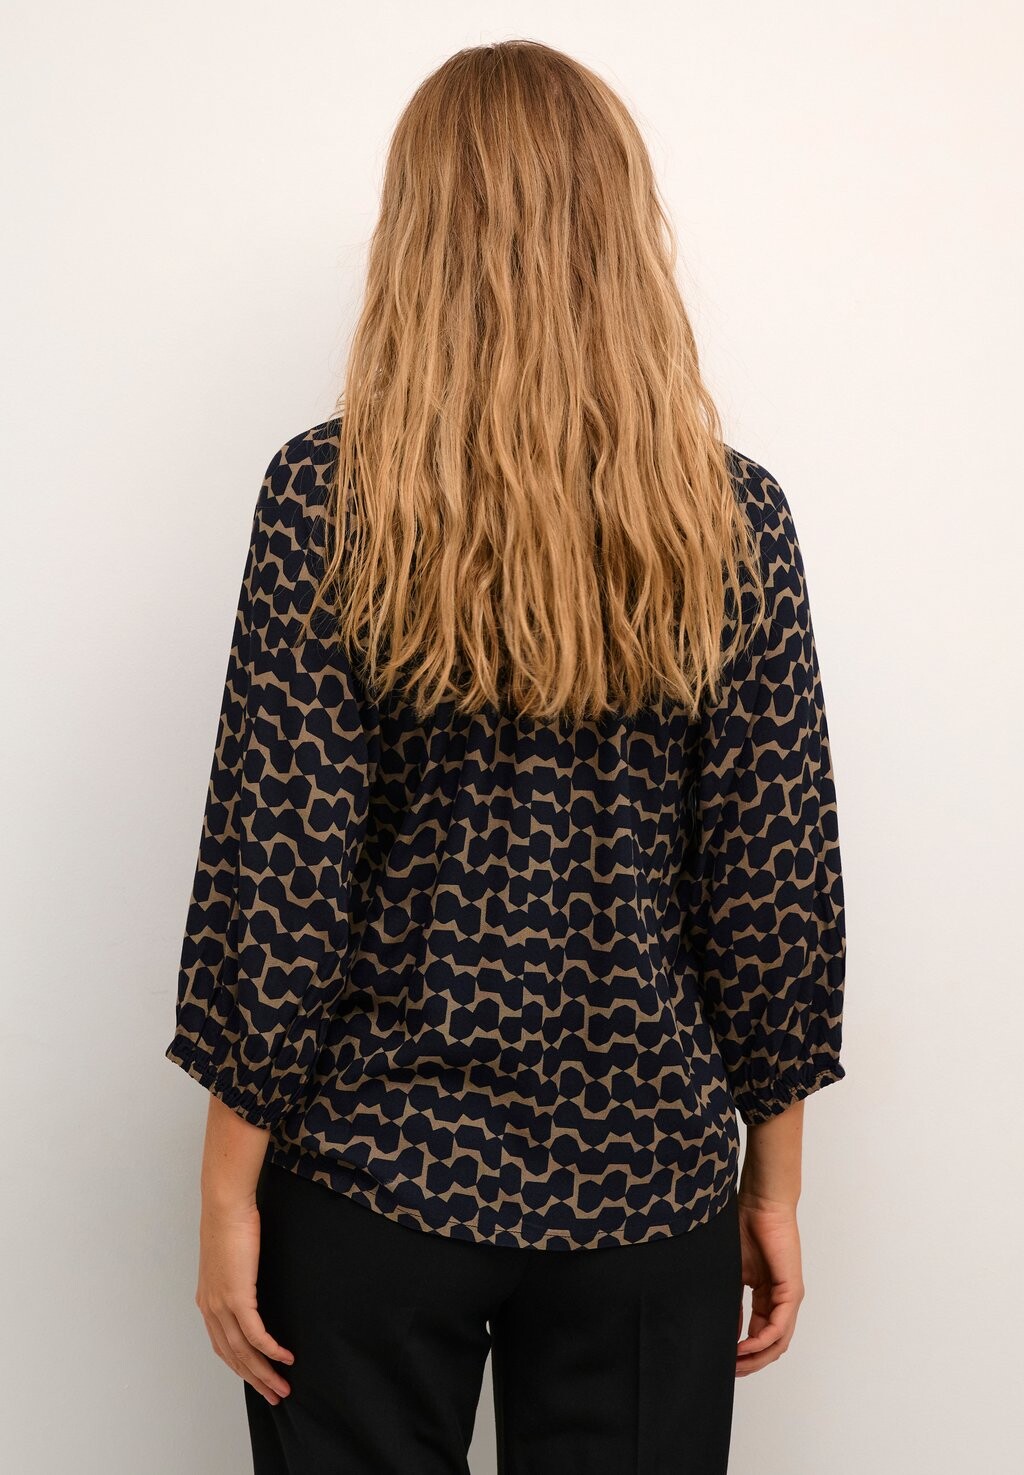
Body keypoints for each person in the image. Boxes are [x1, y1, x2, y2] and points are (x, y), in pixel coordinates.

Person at [165, 38, 847, 1475]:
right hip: (646, 1189)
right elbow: (772, 890)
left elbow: (280, 878)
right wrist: (773, 1187)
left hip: (372, 1181)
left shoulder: (330, 500)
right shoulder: (728, 521)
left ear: (419, 235)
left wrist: (228, 1194)